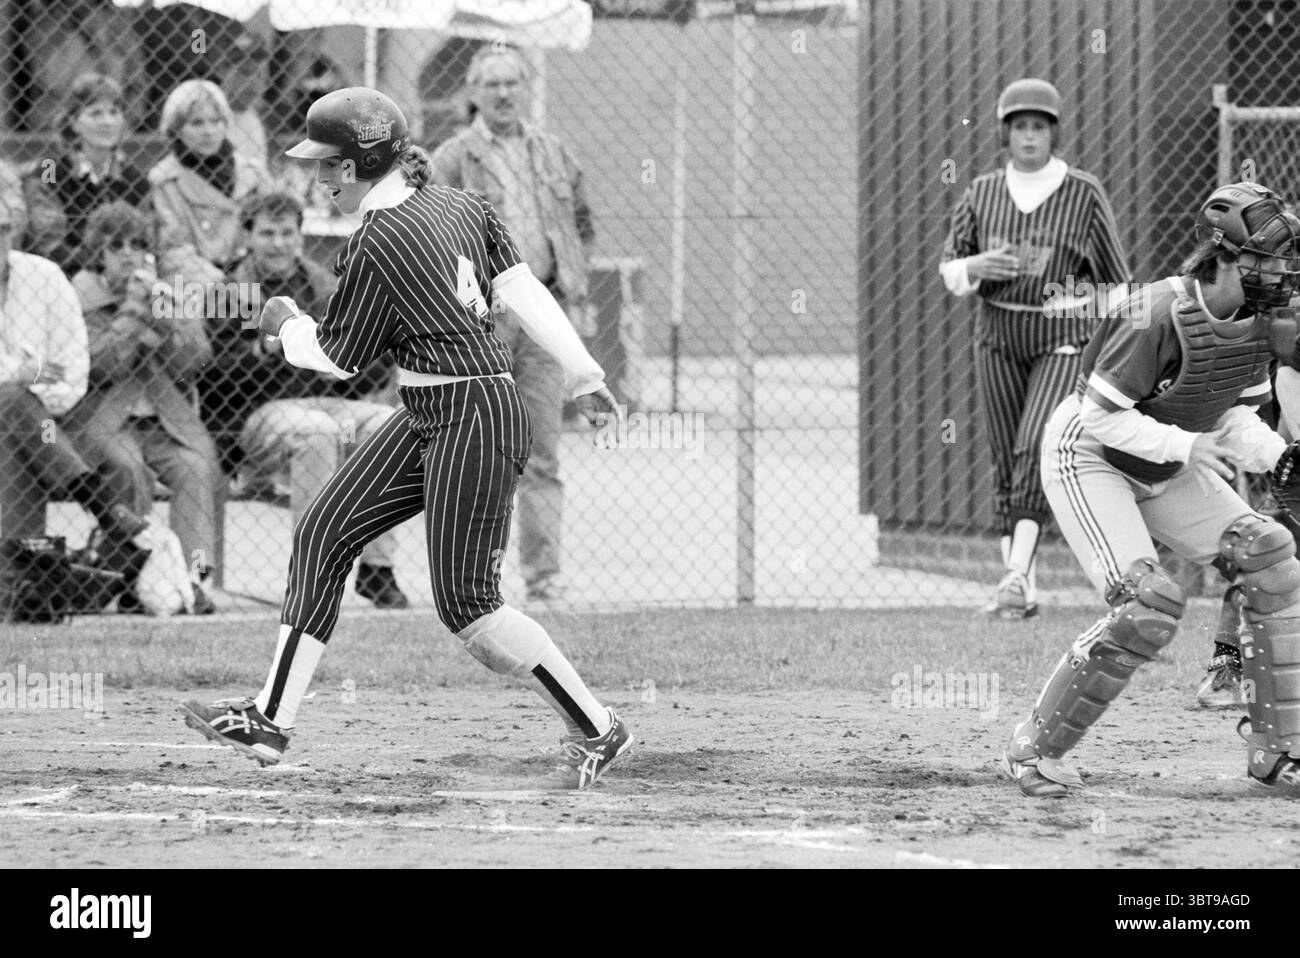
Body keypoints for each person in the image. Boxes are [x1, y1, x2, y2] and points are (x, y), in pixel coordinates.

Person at [181, 88, 634, 790]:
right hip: (435, 408)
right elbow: (522, 289)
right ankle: (271, 719)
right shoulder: (461, 205)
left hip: (473, 417)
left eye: (329, 167)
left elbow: (338, 357)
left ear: (363, 162)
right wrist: (583, 371)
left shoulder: (376, 241)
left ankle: (599, 727)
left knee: (470, 611)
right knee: (325, 530)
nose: (318, 180)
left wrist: (284, 323)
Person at [1001, 181, 1300, 797]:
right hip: (1091, 458)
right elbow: (1101, 417)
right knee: (1149, 604)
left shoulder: (1260, 323)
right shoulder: (1154, 312)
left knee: (1268, 555)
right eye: (1264, 258)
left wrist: (1280, 456)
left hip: (1167, 460)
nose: (1278, 271)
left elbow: (1236, 418)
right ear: (1222, 256)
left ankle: (1277, 750)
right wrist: (1188, 447)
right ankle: (1034, 750)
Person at [940, 78, 1130, 619]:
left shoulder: (1083, 192)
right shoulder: (981, 191)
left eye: (1038, 127)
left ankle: (1016, 573)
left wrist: (1071, 300)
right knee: (1005, 452)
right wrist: (976, 267)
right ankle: (1019, 588)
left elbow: (1119, 285)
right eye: (1019, 127)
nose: (1029, 137)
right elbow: (951, 267)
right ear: (1005, 134)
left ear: (1053, 133)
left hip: (1059, 340)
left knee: (1033, 444)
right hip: (997, 333)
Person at [429, 44, 596, 603]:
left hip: (544, 312)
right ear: (473, 92)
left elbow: (581, 223)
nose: (503, 93)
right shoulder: (452, 159)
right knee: (485, 450)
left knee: (542, 449)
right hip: (486, 320)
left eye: (512, 83)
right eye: (492, 83)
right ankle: (479, 576)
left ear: (526, 88)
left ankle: (544, 574)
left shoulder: (553, 153)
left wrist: (572, 280)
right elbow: (433, 237)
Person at [201, 190, 410, 608]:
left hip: (324, 402)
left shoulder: (323, 286)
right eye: (266, 233)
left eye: (286, 233)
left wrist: (383, 343)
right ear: (248, 236)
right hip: (257, 416)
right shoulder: (230, 291)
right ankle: (312, 575)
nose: (278, 243)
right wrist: (264, 352)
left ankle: (377, 570)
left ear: (299, 236)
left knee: (388, 424)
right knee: (317, 432)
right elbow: (215, 379)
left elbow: (351, 378)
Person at [64, 201, 224, 613]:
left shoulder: (167, 290)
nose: (129, 253)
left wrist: (169, 317)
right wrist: (135, 314)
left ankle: (192, 580)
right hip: (103, 422)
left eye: (138, 244)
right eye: (116, 245)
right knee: (129, 468)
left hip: (163, 421)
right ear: (98, 252)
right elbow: (101, 364)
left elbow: (193, 364)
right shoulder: (78, 296)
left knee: (195, 468)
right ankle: (134, 579)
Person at [0, 194, 148, 593]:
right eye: (116, 245)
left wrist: (26, 382)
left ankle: (30, 586)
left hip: (55, 421)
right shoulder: (82, 287)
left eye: (3, 230)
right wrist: (29, 372)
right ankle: (100, 506)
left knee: (16, 420)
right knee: (12, 404)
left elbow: (73, 369)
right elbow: (41, 373)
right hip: (39, 422)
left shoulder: (45, 277)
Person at [20, 73, 150, 275]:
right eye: (95, 113)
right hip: (66, 276)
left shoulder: (135, 178)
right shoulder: (49, 169)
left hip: (126, 275)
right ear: (73, 122)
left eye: (114, 112)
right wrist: (100, 265)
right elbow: (49, 243)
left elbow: (146, 238)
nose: (107, 122)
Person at [148, 80, 269, 289]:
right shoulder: (165, 179)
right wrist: (222, 284)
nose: (209, 131)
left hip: (254, 278)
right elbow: (173, 252)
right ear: (176, 129)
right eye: (197, 123)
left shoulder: (253, 173)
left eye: (216, 121)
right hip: (198, 287)